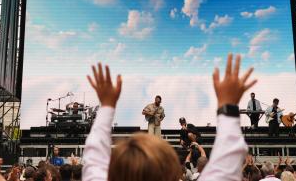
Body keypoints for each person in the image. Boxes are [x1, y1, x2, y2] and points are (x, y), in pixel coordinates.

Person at [82, 54, 256, 181]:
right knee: (152, 139)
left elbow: (94, 160)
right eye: (157, 99)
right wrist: (228, 103)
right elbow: (226, 166)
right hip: (151, 123)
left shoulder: (162, 108)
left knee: (156, 139)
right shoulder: (150, 106)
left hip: (158, 125)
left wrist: (107, 105)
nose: (158, 101)